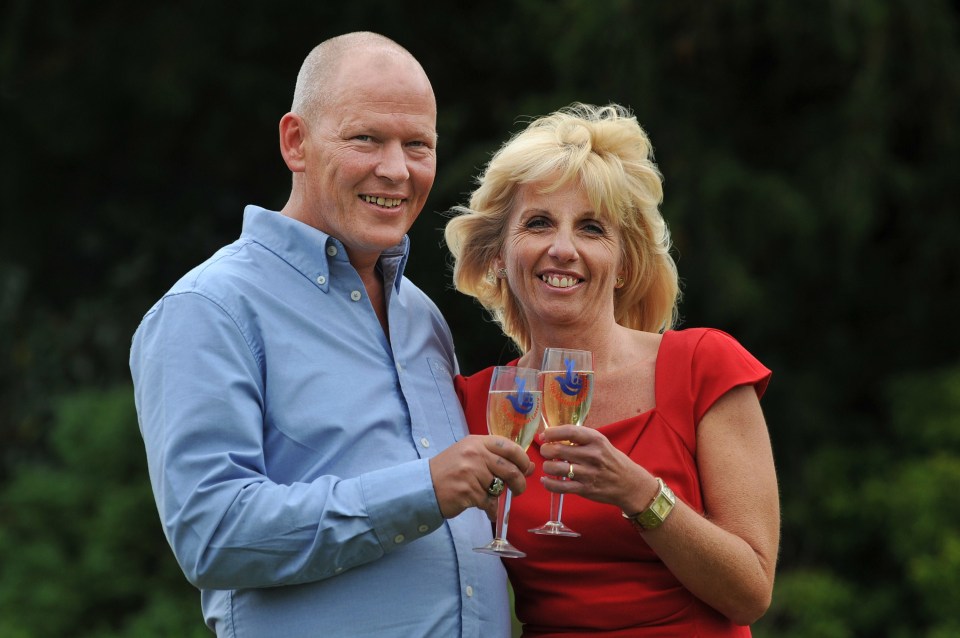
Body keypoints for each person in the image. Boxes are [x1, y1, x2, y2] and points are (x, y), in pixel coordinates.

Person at [129, 32, 532, 638]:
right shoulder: (209, 308)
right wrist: (423, 490)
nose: (395, 169)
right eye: (366, 138)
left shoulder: (421, 314)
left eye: (417, 144)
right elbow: (211, 535)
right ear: (297, 142)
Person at [445, 103, 780, 637]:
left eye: (591, 228)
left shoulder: (702, 367)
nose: (562, 248)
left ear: (623, 264)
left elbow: (751, 591)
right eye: (538, 223)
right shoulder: (475, 403)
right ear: (498, 256)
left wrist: (640, 494)